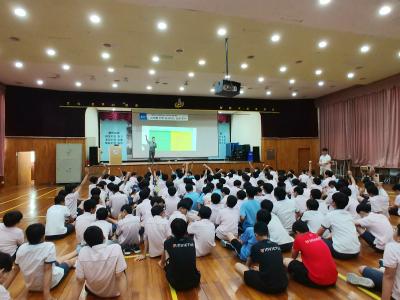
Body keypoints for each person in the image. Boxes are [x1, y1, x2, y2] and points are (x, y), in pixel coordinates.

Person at [14, 223, 76, 299]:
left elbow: (15, 270)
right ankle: (80, 252)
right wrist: (47, 294)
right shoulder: (49, 246)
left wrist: (3, 286)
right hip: (49, 284)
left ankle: (76, 251)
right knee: (69, 262)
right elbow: (48, 270)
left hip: (30, 286)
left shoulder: (21, 248)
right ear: (43, 236)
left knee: (57, 259)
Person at [68, 226, 128, 299]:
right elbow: (119, 276)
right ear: (103, 237)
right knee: (121, 270)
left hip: (93, 291)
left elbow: (79, 280)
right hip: (115, 292)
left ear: (87, 242)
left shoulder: (83, 252)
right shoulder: (116, 248)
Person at [346, 224, 400, 298]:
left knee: (362, 269)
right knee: (384, 264)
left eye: (396, 229)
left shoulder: (393, 247)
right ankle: (381, 269)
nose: (394, 230)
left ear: (399, 238)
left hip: (396, 291)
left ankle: (376, 276)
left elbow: (388, 278)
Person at [234, 222, 288, 294]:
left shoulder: (256, 246)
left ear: (256, 235)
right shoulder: (276, 245)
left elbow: (248, 264)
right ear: (267, 233)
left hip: (269, 286)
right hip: (284, 284)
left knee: (237, 265)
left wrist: (248, 272)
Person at [284, 220, 337, 288]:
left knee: (286, 260)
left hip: (318, 282)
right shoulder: (316, 236)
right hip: (333, 279)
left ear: (297, 232)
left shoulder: (299, 239)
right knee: (301, 260)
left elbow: (293, 258)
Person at [159, 218, 201, 291]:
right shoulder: (191, 241)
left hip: (175, 284)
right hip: (195, 281)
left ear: (172, 231)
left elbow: (164, 261)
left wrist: (162, 263)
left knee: (166, 262)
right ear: (186, 230)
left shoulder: (168, 242)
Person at [317, 192, 360, 259]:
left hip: (340, 253)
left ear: (333, 203)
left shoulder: (330, 215)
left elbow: (320, 231)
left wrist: (313, 239)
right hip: (356, 252)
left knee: (319, 239)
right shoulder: (349, 215)